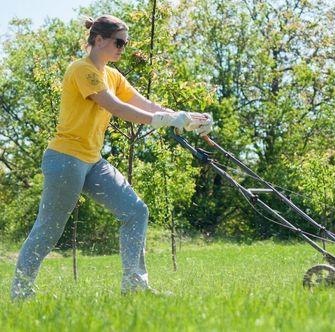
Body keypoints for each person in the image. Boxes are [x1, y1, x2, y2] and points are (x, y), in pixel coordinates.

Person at [10, 15, 212, 300]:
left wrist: (186, 119)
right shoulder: (82, 69)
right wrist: (164, 120)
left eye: (126, 44)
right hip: (65, 159)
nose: (122, 48)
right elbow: (115, 107)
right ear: (99, 40)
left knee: (135, 211)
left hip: (92, 161)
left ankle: (134, 285)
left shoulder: (113, 75)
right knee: (49, 229)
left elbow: (145, 105)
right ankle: (20, 294)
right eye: (119, 42)